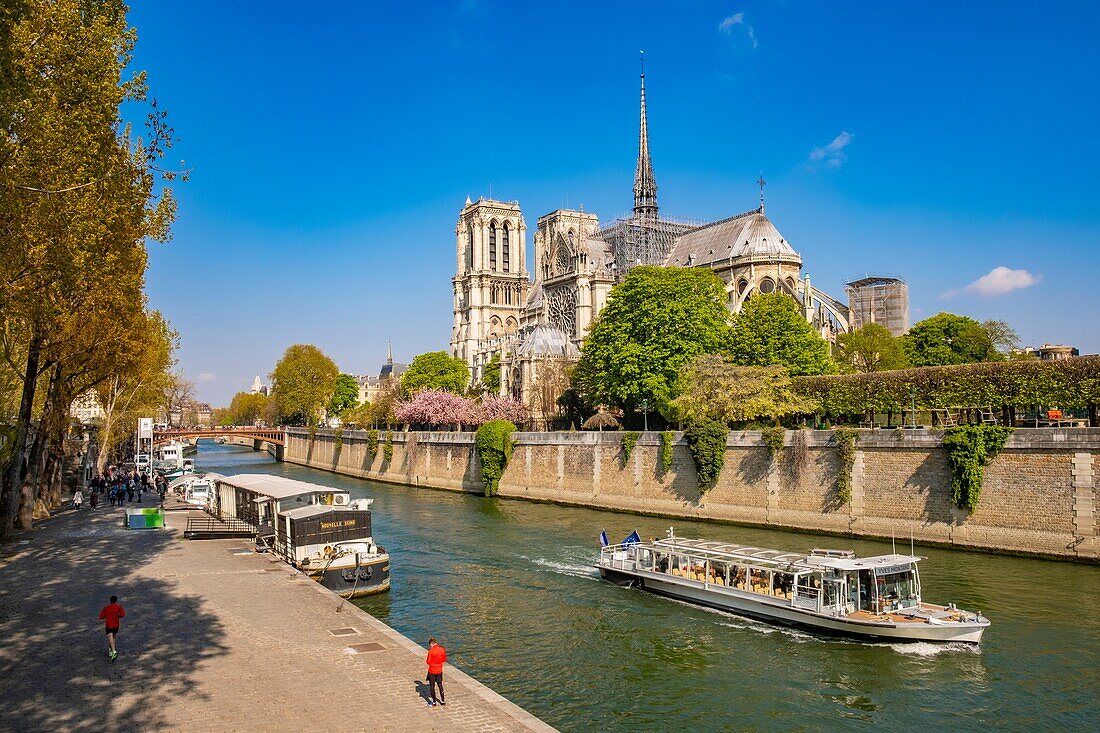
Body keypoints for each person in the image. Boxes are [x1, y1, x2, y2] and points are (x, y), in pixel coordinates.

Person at [99, 595, 125, 660]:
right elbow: (122, 614)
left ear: (110, 601)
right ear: (116, 601)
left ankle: (114, 651)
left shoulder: (106, 608)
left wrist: (107, 616)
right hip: (116, 626)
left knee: (110, 639)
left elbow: (101, 617)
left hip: (109, 626)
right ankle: (110, 651)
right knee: (113, 638)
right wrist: (118, 616)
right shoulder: (119, 607)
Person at [425, 637, 446, 707]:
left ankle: (434, 702)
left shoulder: (431, 651)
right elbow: (444, 659)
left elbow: (428, 662)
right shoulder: (442, 649)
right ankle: (442, 701)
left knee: (432, 686)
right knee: (440, 685)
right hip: (439, 670)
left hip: (432, 670)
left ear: (431, 644)